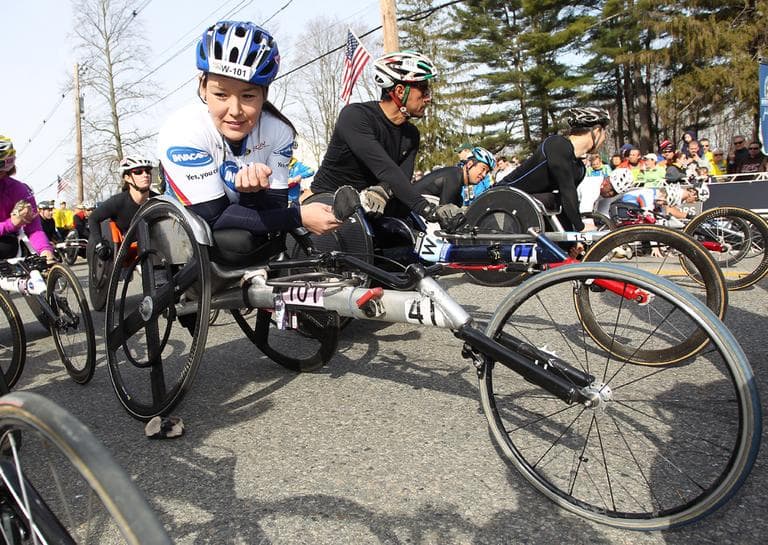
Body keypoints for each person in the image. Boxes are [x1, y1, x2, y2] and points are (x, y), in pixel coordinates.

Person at [157, 20, 340, 242]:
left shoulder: (279, 130)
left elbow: (275, 207)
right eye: (221, 95)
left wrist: (252, 195)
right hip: (183, 239)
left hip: (243, 233)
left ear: (265, 94)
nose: (235, 111)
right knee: (237, 241)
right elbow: (214, 219)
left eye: (248, 96)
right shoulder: (182, 130)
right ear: (202, 87)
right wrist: (298, 216)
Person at [309, 50, 462, 230]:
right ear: (399, 91)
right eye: (423, 90)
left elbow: (402, 177)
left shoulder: (411, 134)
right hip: (326, 205)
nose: (428, 98)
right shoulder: (356, 116)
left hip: (368, 211)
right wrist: (428, 210)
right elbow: (385, 169)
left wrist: (383, 190)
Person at [496, 106, 611, 232]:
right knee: (551, 199)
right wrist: (580, 227)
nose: (605, 139)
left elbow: (565, 204)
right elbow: (567, 192)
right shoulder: (557, 144)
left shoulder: (579, 168)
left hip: (531, 207)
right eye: (605, 132)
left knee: (553, 201)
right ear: (597, 131)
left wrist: (572, 241)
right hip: (500, 198)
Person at [0, 135, 55, 261]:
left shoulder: (19, 189)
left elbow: (34, 229)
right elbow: (12, 225)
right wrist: (11, 224)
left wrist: (45, 250)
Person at [411, 146, 495, 207]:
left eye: (487, 172)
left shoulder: (456, 175)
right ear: (469, 164)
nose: (484, 175)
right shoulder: (454, 177)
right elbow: (445, 214)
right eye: (483, 169)